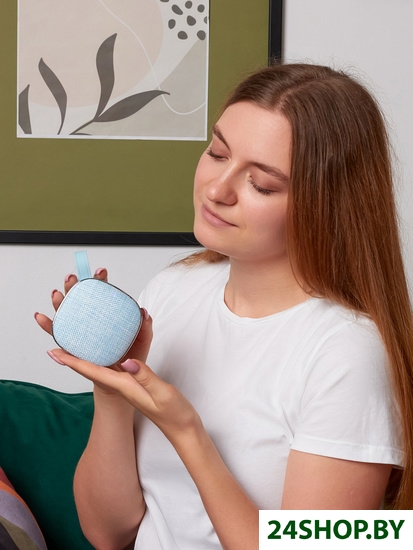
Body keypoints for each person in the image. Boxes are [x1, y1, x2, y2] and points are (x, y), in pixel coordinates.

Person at [36, 63, 413, 550]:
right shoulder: (174, 290)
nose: (217, 190)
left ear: (326, 204)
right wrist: (112, 393)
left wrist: (187, 433)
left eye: (261, 184)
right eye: (217, 153)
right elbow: (109, 533)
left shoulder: (347, 354)